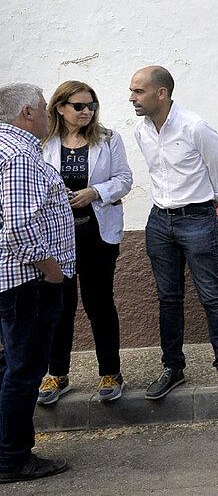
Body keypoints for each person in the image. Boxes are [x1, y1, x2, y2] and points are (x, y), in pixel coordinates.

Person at [129, 65, 218, 398]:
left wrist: (205, 206)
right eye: (132, 91)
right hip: (159, 221)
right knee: (168, 297)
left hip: (197, 218)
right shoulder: (141, 130)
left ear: (160, 93)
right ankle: (173, 367)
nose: (132, 97)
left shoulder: (196, 127)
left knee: (210, 293)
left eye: (138, 91)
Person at [38, 81, 133, 406]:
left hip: (97, 233)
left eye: (91, 105)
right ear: (60, 108)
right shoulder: (44, 143)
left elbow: (124, 179)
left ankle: (110, 372)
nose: (87, 111)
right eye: (79, 106)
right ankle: (57, 373)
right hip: (57, 235)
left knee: (99, 303)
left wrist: (96, 192)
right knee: (59, 305)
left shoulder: (108, 139)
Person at [0, 83, 74, 483]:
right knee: (25, 370)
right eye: (45, 108)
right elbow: (20, 227)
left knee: (11, 367)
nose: (49, 116)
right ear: (28, 112)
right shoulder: (18, 154)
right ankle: (12, 458)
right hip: (27, 281)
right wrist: (51, 270)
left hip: (12, 280)